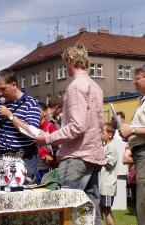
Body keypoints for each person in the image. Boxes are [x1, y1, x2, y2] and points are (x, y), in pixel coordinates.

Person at [35, 44, 106, 225]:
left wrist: (48, 138)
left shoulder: (75, 87)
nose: (65, 67)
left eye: (65, 63)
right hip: (93, 156)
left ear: (71, 61)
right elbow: (98, 125)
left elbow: (77, 126)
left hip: (76, 156)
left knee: (65, 209)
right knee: (91, 211)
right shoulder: (96, 87)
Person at [119, 65, 145, 225]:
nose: (134, 82)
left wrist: (132, 129)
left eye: (137, 78)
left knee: (143, 200)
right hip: (139, 153)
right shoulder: (141, 101)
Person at [99, 122, 118, 225]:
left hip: (107, 186)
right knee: (102, 210)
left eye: (103, 132)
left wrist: (97, 156)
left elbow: (109, 164)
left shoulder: (112, 148)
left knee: (106, 210)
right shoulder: (104, 147)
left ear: (110, 134)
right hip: (102, 186)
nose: (100, 134)